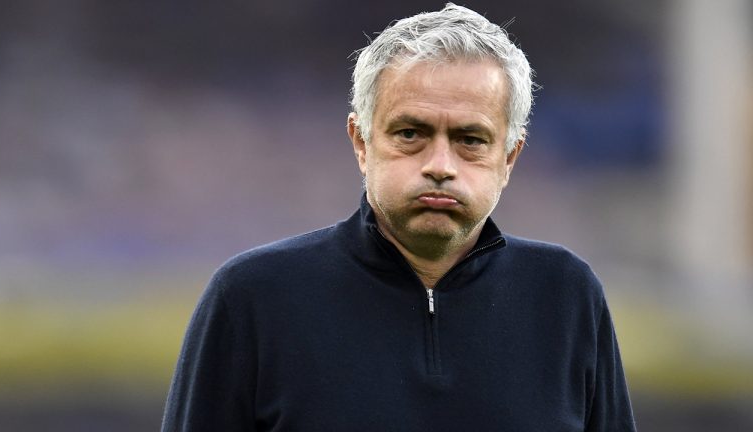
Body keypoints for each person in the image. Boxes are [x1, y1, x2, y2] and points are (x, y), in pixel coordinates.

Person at [161, 3, 636, 431]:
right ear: (362, 142)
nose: (440, 166)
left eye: (471, 139)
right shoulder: (253, 297)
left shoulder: (566, 295)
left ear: (509, 157)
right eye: (411, 133)